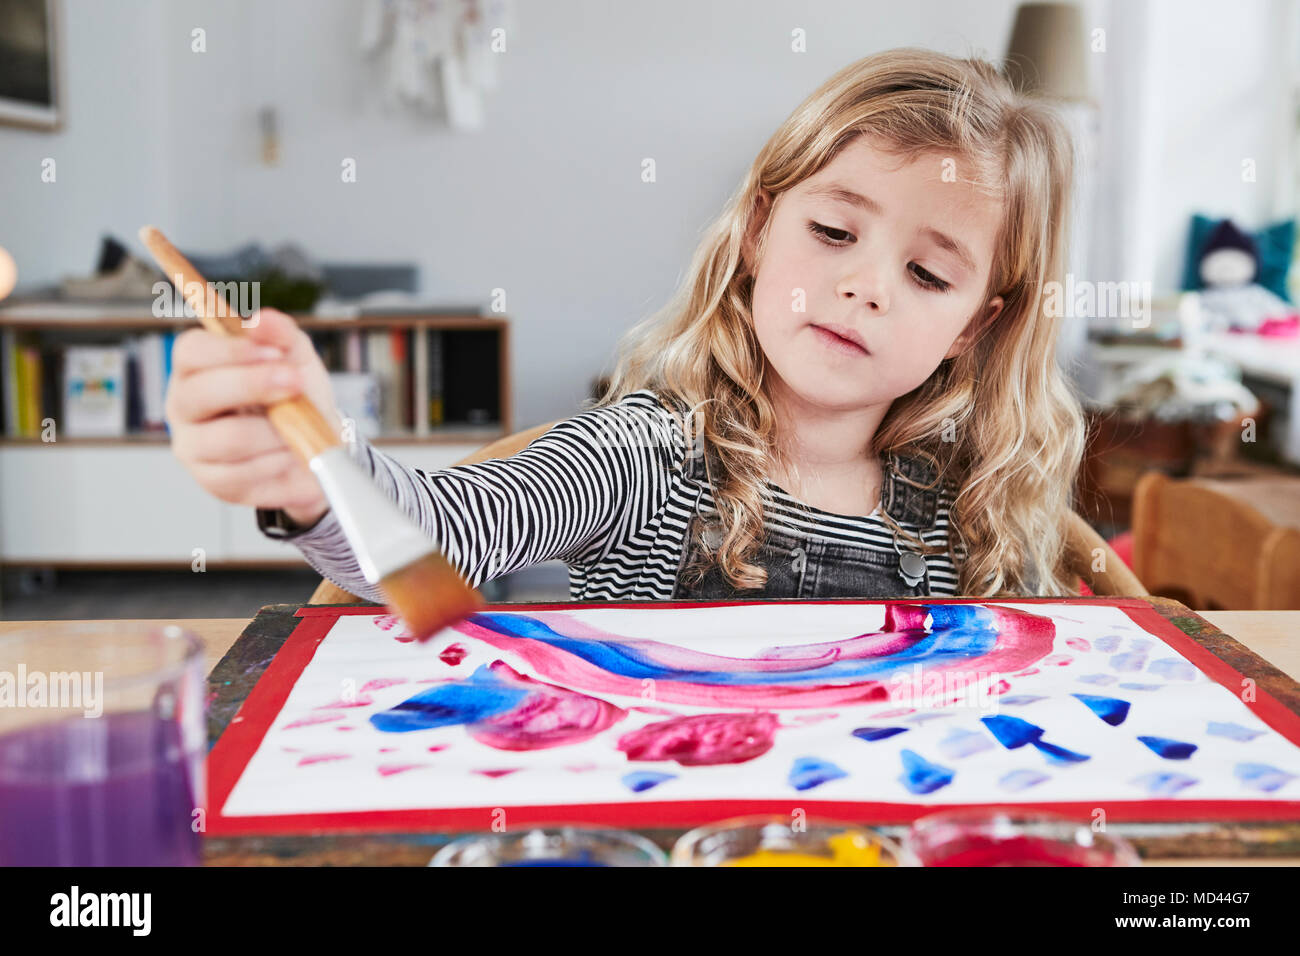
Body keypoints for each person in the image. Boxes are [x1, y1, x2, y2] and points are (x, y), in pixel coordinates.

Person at [166, 48, 1085, 603]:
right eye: (835, 231)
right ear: (760, 230)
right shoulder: (645, 454)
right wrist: (314, 469)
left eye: (928, 274)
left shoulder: (975, 506)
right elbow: (428, 546)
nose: (865, 286)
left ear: (975, 326)